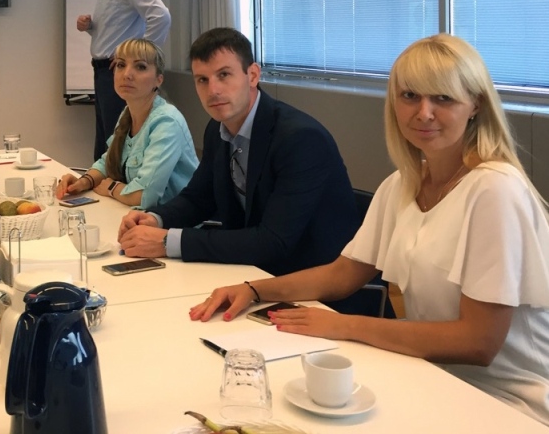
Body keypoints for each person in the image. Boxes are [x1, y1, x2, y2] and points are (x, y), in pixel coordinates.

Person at [190, 35, 549, 424]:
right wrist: (254, 290)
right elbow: (343, 274)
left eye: (443, 98)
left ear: (475, 103)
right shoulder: (403, 184)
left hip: (512, 403)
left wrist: (344, 326)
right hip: (433, 377)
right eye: (409, 96)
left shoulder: (494, 189)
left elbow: (478, 342)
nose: (424, 112)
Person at [118, 28, 363, 300]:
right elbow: (198, 198)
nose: (213, 90)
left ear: (253, 75)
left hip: (313, 291)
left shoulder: (300, 139)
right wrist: (155, 218)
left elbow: (273, 242)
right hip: (250, 277)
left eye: (224, 75)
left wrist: (168, 242)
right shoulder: (217, 129)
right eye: (202, 80)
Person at [56, 38, 197, 208]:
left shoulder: (167, 122)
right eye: (121, 65)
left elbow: (144, 196)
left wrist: (112, 188)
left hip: (175, 221)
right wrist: (84, 182)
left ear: (158, 80)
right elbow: (108, 161)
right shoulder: (128, 113)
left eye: (140, 67)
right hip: (141, 216)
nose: (127, 74)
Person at [77, 0, 171, 159]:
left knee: (116, 146)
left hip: (117, 72)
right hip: (103, 72)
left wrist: (139, 59)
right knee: (105, 144)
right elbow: (117, 27)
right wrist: (91, 26)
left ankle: (115, 184)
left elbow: (161, 16)